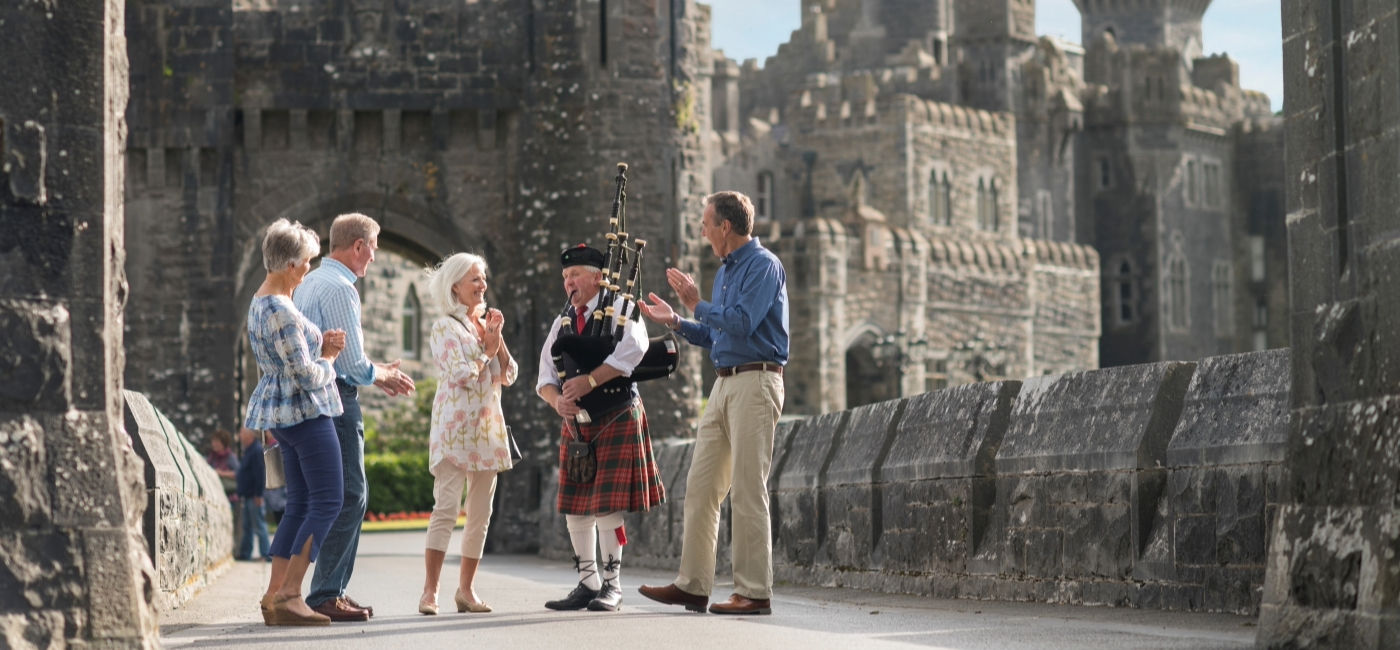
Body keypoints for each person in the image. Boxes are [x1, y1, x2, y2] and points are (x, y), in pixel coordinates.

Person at [636, 191, 788, 615]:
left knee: (747, 489)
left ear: (725, 227)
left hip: (757, 381)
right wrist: (678, 321)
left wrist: (696, 304)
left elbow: (742, 322)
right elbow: (717, 334)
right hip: (723, 385)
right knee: (700, 489)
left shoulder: (764, 266)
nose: (702, 232)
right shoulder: (723, 273)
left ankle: (754, 592)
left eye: (706, 224)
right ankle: (693, 584)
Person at [294, 212, 416, 622]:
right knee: (351, 496)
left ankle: (318, 591)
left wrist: (374, 372)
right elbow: (351, 363)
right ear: (359, 246)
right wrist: (381, 373)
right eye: (374, 249)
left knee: (323, 498)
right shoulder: (341, 289)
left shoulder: (310, 281)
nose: (375, 259)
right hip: (337, 399)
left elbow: (343, 357)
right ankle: (325, 593)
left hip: (313, 398)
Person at [536, 244, 665, 613]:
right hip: (577, 425)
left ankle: (613, 585)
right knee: (576, 509)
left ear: (596, 277)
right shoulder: (562, 321)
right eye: (564, 277)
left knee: (607, 508)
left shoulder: (621, 308)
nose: (569, 283)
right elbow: (544, 376)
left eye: (574, 275)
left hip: (617, 414)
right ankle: (587, 583)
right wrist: (556, 401)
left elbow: (635, 349)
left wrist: (590, 381)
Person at [243, 218, 348, 626]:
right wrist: (330, 358)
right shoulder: (281, 311)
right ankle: (290, 593)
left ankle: (274, 595)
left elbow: (286, 363)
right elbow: (304, 376)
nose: (309, 269)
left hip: (281, 415)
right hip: (305, 413)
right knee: (329, 499)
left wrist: (322, 342)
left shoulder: (259, 302)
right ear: (290, 264)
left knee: (300, 503)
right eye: (307, 262)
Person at [417, 252, 518, 615]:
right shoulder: (444, 326)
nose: (482, 285)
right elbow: (460, 374)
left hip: (487, 429)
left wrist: (497, 341)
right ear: (455, 285)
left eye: (483, 278)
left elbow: (509, 374)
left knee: (480, 513)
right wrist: (485, 351)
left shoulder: (483, 325)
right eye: (475, 278)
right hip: (454, 428)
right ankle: (430, 592)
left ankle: (466, 590)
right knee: (445, 509)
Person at [234, 427, 271, 562]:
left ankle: (266, 554)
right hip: (248, 495)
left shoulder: (255, 450)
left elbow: (260, 473)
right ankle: (245, 553)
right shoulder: (249, 450)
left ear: (250, 435)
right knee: (247, 526)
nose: (240, 435)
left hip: (254, 496)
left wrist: (259, 494)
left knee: (259, 525)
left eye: (242, 433)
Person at [263, 430, 288, 525]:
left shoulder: (277, 447)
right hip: (274, 492)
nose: (267, 434)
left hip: (281, 491)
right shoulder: (267, 448)